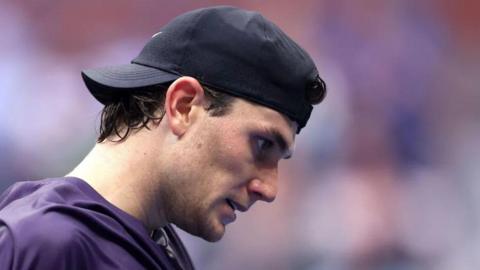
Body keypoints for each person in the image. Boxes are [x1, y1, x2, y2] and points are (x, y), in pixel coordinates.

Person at [0, 5, 326, 270]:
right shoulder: (45, 243)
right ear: (183, 105)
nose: (269, 189)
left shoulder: (152, 241)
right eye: (262, 144)